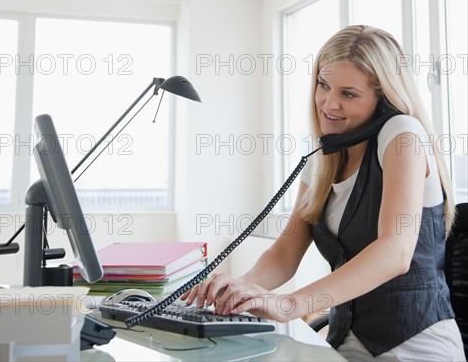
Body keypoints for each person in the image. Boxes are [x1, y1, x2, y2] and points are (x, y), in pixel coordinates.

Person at [181, 25, 465, 361]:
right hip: (346, 346)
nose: (329, 103)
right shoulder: (325, 156)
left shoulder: (402, 135)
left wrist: (290, 304)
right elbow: (285, 254)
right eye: (323, 85)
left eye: (349, 94)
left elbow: (395, 252)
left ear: (383, 98)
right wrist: (239, 288)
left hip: (416, 348)